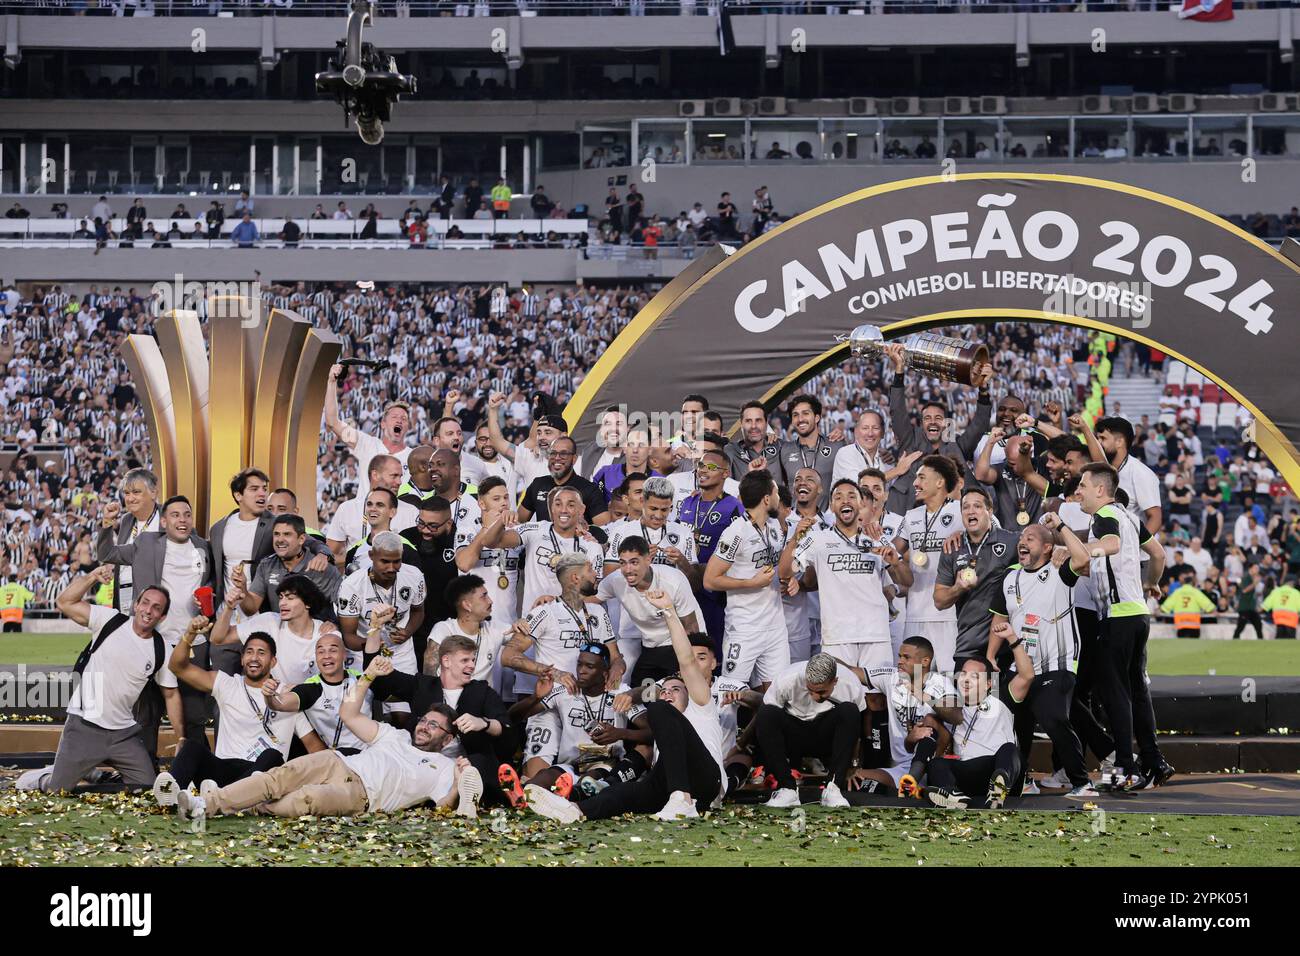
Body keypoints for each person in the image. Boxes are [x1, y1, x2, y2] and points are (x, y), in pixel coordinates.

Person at [177, 657, 483, 821]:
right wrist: (367, 678)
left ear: (447, 739)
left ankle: (245, 803)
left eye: (435, 726)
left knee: (304, 799)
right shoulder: (394, 736)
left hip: (364, 795)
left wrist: (458, 783)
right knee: (277, 777)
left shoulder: (443, 766)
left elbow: (443, 806)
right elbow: (348, 712)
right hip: (338, 761)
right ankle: (205, 803)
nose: (425, 727)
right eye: (425, 721)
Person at [522, 588, 726, 823]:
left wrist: (669, 611)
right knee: (622, 793)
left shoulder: (701, 702)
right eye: (665, 690)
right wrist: (630, 694)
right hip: (666, 782)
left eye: (676, 689)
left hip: (705, 782)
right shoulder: (662, 713)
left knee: (658, 709)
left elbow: (686, 660)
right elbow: (645, 694)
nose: (668, 693)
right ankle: (574, 810)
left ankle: (683, 800)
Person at [989, 513, 1097, 798]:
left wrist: (1061, 526)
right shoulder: (1010, 578)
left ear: (1048, 547)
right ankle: (1022, 780)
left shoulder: (1059, 570)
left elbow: (1084, 559)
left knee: (1052, 718)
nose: (1022, 542)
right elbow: (999, 618)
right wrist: (990, 655)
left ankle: (1082, 783)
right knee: (1014, 723)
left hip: (1057, 662)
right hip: (1021, 664)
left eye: (1030, 538)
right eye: (1021, 538)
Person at [94, 493, 214, 748]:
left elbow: (211, 583)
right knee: (147, 716)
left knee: (194, 716)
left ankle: (194, 772)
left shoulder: (203, 547)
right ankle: (145, 775)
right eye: (175, 515)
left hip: (195, 642)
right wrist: (106, 524)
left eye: (187, 515)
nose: (182, 520)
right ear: (163, 521)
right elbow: (107, 552)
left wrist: (207, 602)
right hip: (153, 642)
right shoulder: (146, 543)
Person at [45, 568, 181, 793]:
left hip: (123, 735)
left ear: (163, 617)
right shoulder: (110, 620)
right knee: (56, 791)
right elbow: (64, 602)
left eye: (156, 608)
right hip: (83, 726)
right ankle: (42, 777)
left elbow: (171, 694)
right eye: (145, 603)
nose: (148, 610)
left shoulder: (162, 649)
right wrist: (91, 578)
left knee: (145, 789)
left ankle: (94, 774)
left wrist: (182, 736)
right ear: (136, 604)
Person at [1078, 462, 1170, 790]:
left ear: (1101, 490)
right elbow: (1158, 555)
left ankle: (1127, 769)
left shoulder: (1104, 516)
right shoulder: (1131, 517)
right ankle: (1154, 759)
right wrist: (1153, 585)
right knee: (1136, 691)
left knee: (1115, 695)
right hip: (1139, 613)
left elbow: (1112, 546)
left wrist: (1075, 550)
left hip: (1116, 617)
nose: (1079, 492)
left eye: (1083, 486)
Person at [160, 621, 303, 793]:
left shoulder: (290, 695)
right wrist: (190, 633)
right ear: (242, 659)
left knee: (272, 756)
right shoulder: (227, 684)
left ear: (273, 661)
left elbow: (312, 742)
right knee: (191, 747)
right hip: (222, 771)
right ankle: (168, 794)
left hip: (261, 777)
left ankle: (226, 798)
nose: (254, 658)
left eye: (261, 653)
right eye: (249, 652)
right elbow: (177, 666)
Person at [782, 479, 902, 683]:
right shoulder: (817, 540)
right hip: (836, 635)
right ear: (832, 506)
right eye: (838, 497)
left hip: (875, 632)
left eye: (851, 496)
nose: (845, 500)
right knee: (840, 692)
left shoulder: (876, 538)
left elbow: (906, 580)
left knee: (877, 697)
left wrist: (896, 564)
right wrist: (795, 538)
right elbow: (786, 571)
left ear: (860, 504)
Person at [500, 642, 647, 799]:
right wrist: (535, 697)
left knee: (588, 781)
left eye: (589, 667)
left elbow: (651, 732)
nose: (581, 671)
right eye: (579, 664)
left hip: (605, 763)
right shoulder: (564, 691)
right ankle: (521, 795)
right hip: (570, 765)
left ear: (605, 673)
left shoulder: (620, 693)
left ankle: (565, 796)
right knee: (541, 779)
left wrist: (621, 733)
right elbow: (511, 718)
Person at [924, 637, 1036, 811]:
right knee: (937, 764)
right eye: (963, 674)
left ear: (989, 684)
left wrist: (1012, 639)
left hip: (998, 768)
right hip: (968, 773)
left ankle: (998, 790)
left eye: (975, 676)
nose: (966, 680)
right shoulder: (954, 707)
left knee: (1009, 749)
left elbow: (1027, 675)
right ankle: (952, 796)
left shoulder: (1001, 698)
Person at [703, 471, 790, 691]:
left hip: (775, 626)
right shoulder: (736, 532)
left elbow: (779, 568)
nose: (779, 498)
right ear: (767, 499)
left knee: (777, 694)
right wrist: (750, 583)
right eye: (776, 492)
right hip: (744, 627)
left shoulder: (774, 529)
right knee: (730, 694)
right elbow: (710, 580)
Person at [882, 342, 993, 514]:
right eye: (927, 418)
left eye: (938, 418)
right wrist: (899, 371)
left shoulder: (956, 445)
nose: (933, 422)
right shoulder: (910, 441)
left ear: (946, 423)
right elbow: (897, 411)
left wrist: (983, 389)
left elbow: (979, 425)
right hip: (908, 515)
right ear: (921, 423)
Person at [850, 636, 961, 798]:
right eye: (899, 656)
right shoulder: (892, 677)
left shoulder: (940, 682)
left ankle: (917, 784)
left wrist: (920, 693)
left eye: (906, 657)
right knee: (857, 778)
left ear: (925, 661)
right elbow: (851, 671)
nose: (900, 661)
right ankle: (913, 791)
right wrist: (825, 660)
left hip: (936, 763)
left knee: (929, 720)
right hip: (903, 767)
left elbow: (957, 716)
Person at [754, 654, 866, 809]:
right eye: (810, 690)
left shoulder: (851, 683)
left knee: (850, 711)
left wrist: (854, 763)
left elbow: (857, 728)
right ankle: (787, 789)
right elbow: (765, 718)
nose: (814, 696)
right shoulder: (787, 679)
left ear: (835, 681)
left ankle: (833, 789)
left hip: (825, 736)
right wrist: (740, 746)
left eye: (821, 692)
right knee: (766, 713)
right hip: (793, 735)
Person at [336, 532, 427, 718]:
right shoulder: (352, 586)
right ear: (371, 556)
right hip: (362, 653)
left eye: (397, 561)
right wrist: (372, 644)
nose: (391, 568)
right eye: (385, 561)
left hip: (401, 651)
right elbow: (349, 637)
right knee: (361, 712)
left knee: (403, 716)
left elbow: (418, 611)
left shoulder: (414, 576)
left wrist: (408, 631)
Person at [596, 535, 702, 684]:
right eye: (622, 563)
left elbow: (692, 627)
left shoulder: (673, 580)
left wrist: (691, 664)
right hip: (651, 645)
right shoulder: (616, 580)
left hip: (680, 644)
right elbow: (590, 600)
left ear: (648, 560)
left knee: (676, 692)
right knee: (642, 692)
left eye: (634, 562)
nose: (628, 570)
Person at [891, 455, 963, 674]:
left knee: (950, 678)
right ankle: (919, 711)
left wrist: (964, 533)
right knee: (912, 677)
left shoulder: (962, 511)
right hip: (915, 612)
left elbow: (990, 532)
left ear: (940, 482)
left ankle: (952, 709)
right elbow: (894, 550)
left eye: (921, 477)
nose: (915, 483)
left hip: (950, 614)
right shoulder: (912, 516)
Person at [933, 486, 1020, 669]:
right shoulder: (952, 548)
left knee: (996, 696)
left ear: (990, 511)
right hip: (968, 645)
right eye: (965, 507)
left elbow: (1041, 544)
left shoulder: (1012, 541)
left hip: (1006, 644)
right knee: (969, 696)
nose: (970, 511)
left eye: (977, 506)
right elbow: (939, 601)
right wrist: (958, 587)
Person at [211, 574, 344, 685]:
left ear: (308, 603)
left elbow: (336, 681)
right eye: (281, 597)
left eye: (290, 598)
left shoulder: (327, 633)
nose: (282, 603)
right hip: (281, 705)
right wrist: (229, 607)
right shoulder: (269, 621)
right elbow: (217, 638)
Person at [257, 632, 372, 755]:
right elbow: (279, 704)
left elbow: (392, 692)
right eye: (321, 652)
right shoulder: (312, 688)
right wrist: (269, 696)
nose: (326, 656)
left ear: (344, 655)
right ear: (316, 657)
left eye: (333, 650)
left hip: (371, 752)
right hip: (339, 758)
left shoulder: (362, 679)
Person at [324, 366, 414, 499]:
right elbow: (332, 422)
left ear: (408, 427)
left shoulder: (413, 457)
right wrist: (331, 382)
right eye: (394, 417)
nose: (399, 421)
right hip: (365, 518)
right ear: (383, 424)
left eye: (404, 419)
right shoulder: (366, 444)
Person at [602, 475, 697, 581]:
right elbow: (608, 579)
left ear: (671, 506)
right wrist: (638, 562)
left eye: (664, 510)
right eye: (653, 508)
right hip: (631, 596)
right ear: (642, 501)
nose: (658, 515)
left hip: (671, 596)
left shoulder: (684, 532)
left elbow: (695, 585)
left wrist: (683, 562)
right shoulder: (621, 532)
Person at [244, 514, 341, 616]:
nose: (280, 539)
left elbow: (344, 606)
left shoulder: (322, 566)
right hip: (279, 629)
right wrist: (242, 588)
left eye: (287, 534)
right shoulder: (266, 565)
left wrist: (332, 623)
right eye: (276, 534)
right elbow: (250, 609)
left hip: (317, 630)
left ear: (302, 539)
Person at [426, 574, 510, 690]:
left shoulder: (494, 628)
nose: (490, 601)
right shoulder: (444, 629)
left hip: (483, 702)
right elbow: (429, 670)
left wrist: (525, 622)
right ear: (467, 605)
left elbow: (529, 634)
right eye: (484, 596)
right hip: (448, 700)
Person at [98, 467, 160, 613]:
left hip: (156, 608)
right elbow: (105, 555)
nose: (130, 498)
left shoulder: (167, 518)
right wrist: (107, 522)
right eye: (127, 493)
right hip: (126, 602)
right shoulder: (127, 521)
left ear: (153, 493)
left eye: (136, 492)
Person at [518, 435, 609, 526]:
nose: (557, 458)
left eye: (564, 454)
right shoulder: (538, 484)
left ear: (574, 459)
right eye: (553, 453)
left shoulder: (590, 489)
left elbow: (605, 530)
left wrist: (585, 533)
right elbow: (518, 522)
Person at [774, 395, 844, 506]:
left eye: (805, 413)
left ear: (817, 417)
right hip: (795, 521)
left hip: (828, 520)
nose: (800, 419)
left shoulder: (836, 446)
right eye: (795, 415)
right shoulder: (784, 450)